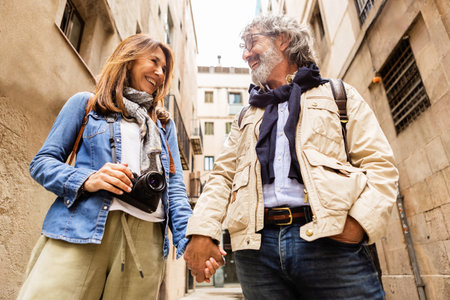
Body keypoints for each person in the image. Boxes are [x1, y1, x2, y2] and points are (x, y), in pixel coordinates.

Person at [184, 15, 399, 299]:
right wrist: (202, 231)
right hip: (256, 252)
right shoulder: (246, 116)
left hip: (331, 244)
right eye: (244, 47)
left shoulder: (338, 95)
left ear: (283, 39)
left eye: (252, 43)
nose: (245, 54)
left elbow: (380, 165)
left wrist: (359, 224)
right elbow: (222, 177)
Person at [18, 34, 196, 300]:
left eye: (165, 69)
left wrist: (188, 240)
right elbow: (41, 163)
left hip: (146, 240)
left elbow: (176, 190)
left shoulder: (163, 125)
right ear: (129, 59)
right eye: (154, 61)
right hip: (81, 229)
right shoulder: (86, 104)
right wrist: (89, 178)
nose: (160, 73)